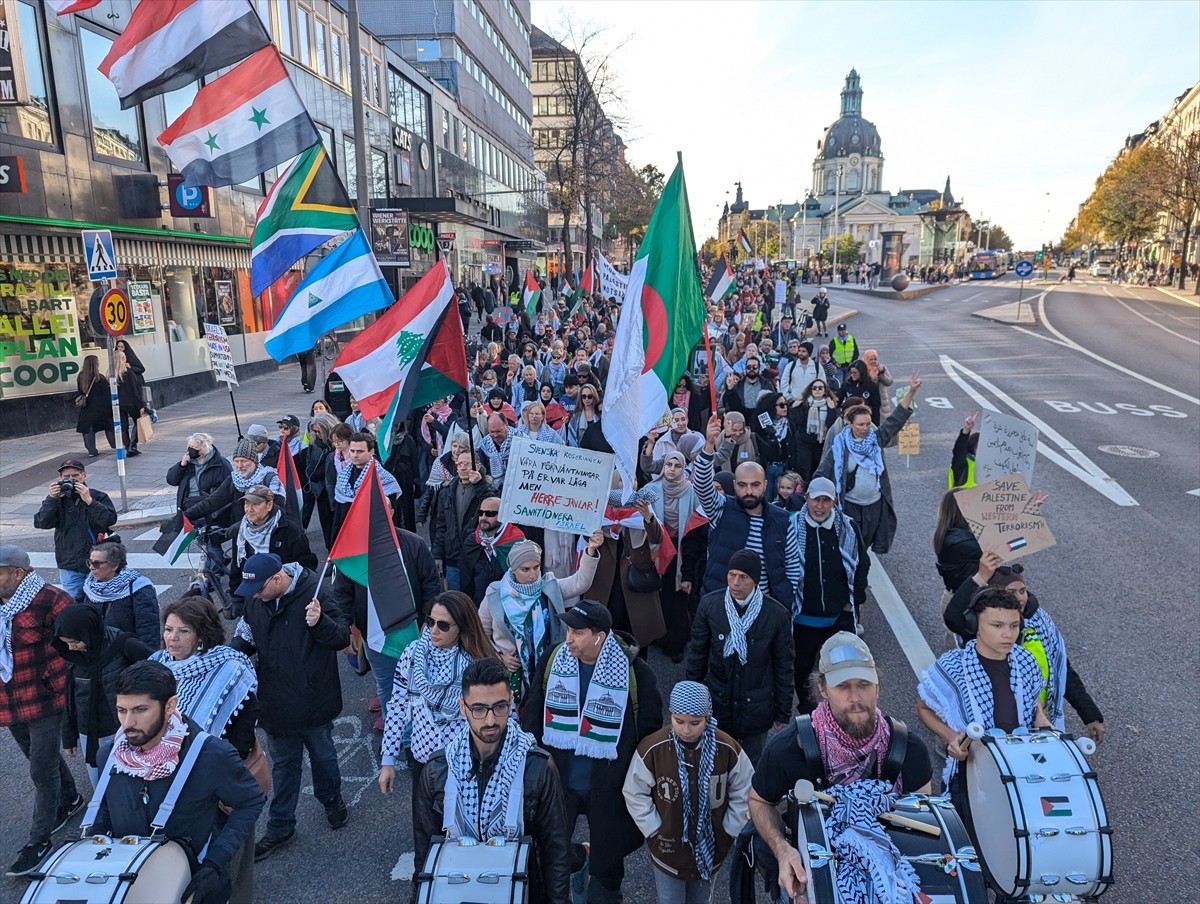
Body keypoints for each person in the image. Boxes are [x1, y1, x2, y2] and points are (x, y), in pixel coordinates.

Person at [746, 632, 933, 902]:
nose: (855, 697)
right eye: (843, 686)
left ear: (878, 687)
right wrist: (782, 849)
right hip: (810, 879)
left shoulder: (908, 750)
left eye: (864, 684)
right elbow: (759, 801)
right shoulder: (789, 748)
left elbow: (921, 815)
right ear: (822, 688)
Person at [87, 661, 265, 904]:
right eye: (121, 710)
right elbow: (106, 807)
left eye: (140, 710)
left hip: (192, 886)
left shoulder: (212, 755)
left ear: (170, 705)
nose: (127, 723)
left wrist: (216, 862)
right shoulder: (109, 756)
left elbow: (250, 801)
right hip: (130, 885)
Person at [522, 600, 663, 904]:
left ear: (600, 636)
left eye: (578, 632)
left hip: (610, 788)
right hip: (560, 783)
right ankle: (576, 863)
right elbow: (534, 717)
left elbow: (649, 735)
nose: (568, 637)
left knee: (607, 874)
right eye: (568, 629)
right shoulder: (553, 660)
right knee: (551, 854)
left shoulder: (636, 673)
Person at [415, 657, 571, 903]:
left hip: (523, 891)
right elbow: (424, 852)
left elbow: (556, 851)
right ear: (462, 707)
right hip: (457, 890)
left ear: (511, 703)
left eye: (499, 707)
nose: (490, 720)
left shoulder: (538, 767)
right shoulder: (437, 770)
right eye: (478, 709)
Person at [230, 553, 352, 860]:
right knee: (284, 767)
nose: (254, 596)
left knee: (323, 756)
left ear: (276, 579)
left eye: (259, 589)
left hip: (313, 700)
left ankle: (331, 799)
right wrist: (230, 658)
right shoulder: (255, 600)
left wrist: (319, 622)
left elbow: (341, 637)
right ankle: (280, 826)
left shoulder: (315, 592)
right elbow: (246, 636)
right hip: (275, 704)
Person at [151, 595, 264, 904]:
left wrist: (212, 772)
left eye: (183, 631)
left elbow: (242, 732)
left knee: (227, 856)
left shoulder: (230, 667)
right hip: (166, 781)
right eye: (169, 629)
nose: (172, 638)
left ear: (202, 634)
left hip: (217, 777)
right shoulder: (157, 665)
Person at [917, 587, 1053, 838]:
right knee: (971, 843)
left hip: (1020, 767)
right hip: (972, 773)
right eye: (997, 625)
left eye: (1014, 626)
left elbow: (1032, 699)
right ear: (974, 624)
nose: (1008, 634)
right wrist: (950, 737)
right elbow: (923, 707)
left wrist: (1040, 717)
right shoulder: (952, 666)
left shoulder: (1026, 660)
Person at [378, 593, 498, 854]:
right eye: (430, 621)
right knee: (426, 837)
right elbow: (397, 707)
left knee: (467, 837)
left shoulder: (478, 664)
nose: (433, 630)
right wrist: (388, 760)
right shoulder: (412, 655)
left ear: (462, 627)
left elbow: (501, 716)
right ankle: (424, 888)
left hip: (468, 766)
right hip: (425, 764)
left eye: (443, 625)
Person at [944, 554, 1104, 745]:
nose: (1019, 598)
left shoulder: (1040, 621)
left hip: (1038, 719)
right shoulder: (984, 626)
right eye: (1011, 592)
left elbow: (1062, 670)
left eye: (1022, 590)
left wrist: (1091, 715)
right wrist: (980, 576)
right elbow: (953, 618)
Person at [623, 681, 753, 904]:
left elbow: (745, 788)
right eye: (679, 721)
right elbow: (634, 791)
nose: (686, 729)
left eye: (695, 723)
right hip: (667, 850)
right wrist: (653, 828)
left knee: (702, 900)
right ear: (670, 715)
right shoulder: (653, 748)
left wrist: (730, 828)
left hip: (711, 850)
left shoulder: (727, 748)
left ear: (708, 717)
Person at [0, 546, 84, 877]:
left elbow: (77, 644)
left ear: (18, 574)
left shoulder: (52, 600)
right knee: (39, 757)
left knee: (40, 769)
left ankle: (39, 841)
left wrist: (57, 679)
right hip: (9, 700)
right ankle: (71, 798)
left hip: (45, 698)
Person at [685, 550, 793, 764]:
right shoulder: (709, 605)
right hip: (718, 702)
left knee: (751, 766)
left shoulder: (776, 615)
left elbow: (784, 666)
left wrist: (783, 711)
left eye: (743, 577)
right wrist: (690, 701)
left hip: (756, 707)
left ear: (755, 580)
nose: (735, 582)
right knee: (715, 764)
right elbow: (697, 655)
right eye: (731, 575)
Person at [693, 416, 801, 614]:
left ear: (765, 485)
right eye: (742, 485)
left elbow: (793, 565)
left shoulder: (782, 520)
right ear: (734, 486)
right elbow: (701, 485)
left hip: (764, 610)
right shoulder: (721, 509)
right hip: (722, 608)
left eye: (755, 485)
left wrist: (783, 599)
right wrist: (709, 446)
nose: (749, 491)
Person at [479, 536, 602, 701]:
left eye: (536, 567)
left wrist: (590, 551)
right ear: (513, 569)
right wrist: (499, 657)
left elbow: (581, 583)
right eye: (525, 569)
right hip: (510, 675)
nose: (533, 575)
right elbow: (480, 634)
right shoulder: (494, 594)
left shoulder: (549, 586)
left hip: (549, 669)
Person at [814, 374, 921, 555]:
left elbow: (895, 420)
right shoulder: (839, 446)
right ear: (849, 424)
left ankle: (861, 578)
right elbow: (821, 474)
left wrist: (911, 391)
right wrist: (815, 500)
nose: (866, 428)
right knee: (849, 546)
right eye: (861, 424)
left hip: (874, 507)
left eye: (868, 424)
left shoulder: (875, 439)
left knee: (865, 549)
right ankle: (852, 580)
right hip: (849, 506)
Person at [789, 477, 869, 713]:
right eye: (816, 500)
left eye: (826, 500)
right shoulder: (792, 527)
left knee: (840, 667)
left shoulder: (848, 527)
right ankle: (807, 709)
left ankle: (836, 709)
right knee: (802, 668)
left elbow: (862, 564)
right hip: (803, 618)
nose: (820, 506)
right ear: (807, 499)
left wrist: (852, 601)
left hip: (838, 617)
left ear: (834, 501)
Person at [52, 604, 153, 788]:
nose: (71, 648)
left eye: (75, 642)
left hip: (122, 728)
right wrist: (68, 736)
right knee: (100, 785)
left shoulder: (121, 644)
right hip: (89, 733)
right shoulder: (73, 656)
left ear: (88, 633)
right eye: (66, 643)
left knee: (132, 783)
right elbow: (70, 697)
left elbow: (155, 668)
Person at [647, 452, 706, 661]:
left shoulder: (691, 493)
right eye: (669, 465)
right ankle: (658, 636)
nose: (672, 469)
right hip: (657, 552)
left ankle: (676, 643)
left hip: (681, 553)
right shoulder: (651, 490)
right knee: (658, 596)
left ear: (684, 470)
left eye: (677, 466)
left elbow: (697, 529)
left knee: (679, 597)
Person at [33, 457, 117, 598]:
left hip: (98, 561)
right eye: (66, 477)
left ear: (84, 475)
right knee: (74, 606)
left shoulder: (97, 496)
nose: (71, 479)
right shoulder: (57, 499)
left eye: (75, 475)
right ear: (60, 478)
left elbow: (109, 520)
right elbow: (41, 522)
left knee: (101, 601)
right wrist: (51, 499)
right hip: (69, 564)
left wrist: (90, 501)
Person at [228, 485, 317, 597]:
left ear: (269, 505)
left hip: (285, 594)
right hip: (253, 594)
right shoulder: (241, 531)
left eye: (255, 504)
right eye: (246, 504)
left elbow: (307, 567)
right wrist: (236, 597)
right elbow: (236, 566)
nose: (249, 509)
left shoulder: (291, 531)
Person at [76, 538, 161, 648]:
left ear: (114, 565)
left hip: (127, 652)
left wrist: (147, 659)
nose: (92, 567)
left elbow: (148, 629)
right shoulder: (88, 586)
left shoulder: (138, 588)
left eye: (97, 563)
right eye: (90, 562)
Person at [186, 438, 286, 531]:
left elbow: (278, 510)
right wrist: (184, 516)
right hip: (240, 538)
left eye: (243, 461)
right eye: (236, 461)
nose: (239, 466)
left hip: (267, 536)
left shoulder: (270, 479)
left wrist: (244, 524)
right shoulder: (234, 480)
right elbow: (212, 502)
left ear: (254, 461)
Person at [432, 452, 493, 593]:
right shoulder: (446, 492)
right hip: (453, 557)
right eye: (460, 464)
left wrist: (480, 485)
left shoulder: (486, 488)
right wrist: (437, 555)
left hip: (478, 557)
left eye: (467, 464)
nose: (463, 467)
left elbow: (493, 509)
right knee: (457, 602)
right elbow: (441, 526)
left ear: (477, 466)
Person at [460, 495, 525, 601]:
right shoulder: (472, 541)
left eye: (490, 514)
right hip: (479, 605)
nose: (483, 518)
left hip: (509, 603)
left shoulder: (517, 542)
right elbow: (466, 579)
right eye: (480, 513)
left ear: (502, 515)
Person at [167, 433, 233, 527]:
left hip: (208, 512)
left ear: (204, 449)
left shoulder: (221, 464)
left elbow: (228, 489)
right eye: (189, 446)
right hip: (188, 508)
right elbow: (171, 480)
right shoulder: (188, 463)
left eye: (194, 448)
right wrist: (181, 466)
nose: (190, 450)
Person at [789, 378, 840, 484]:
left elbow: (832, 425)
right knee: (805, 469)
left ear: (825, 391)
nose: (817, 390)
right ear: (810, 390)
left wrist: (832, 410)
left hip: (821, 443)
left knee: (818, 469)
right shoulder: (805, 404)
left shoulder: (829, 404)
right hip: (805, 442)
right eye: (814, 388)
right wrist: (794, 407)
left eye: (820, 388)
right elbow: (796, 422)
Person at [74, 353, 114, 457]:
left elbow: (80, 391)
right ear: (95, 364)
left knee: (88, 429)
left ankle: (91, 451)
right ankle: (114, 444)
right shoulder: (99, 378)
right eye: (97, 362)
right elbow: (106, 394)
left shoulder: (81, 376)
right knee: (108, 426)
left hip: (87, 408)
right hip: (101, 408)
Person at [113, 339, 148, 456]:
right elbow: (134, 391)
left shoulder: (111, 373)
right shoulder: (128, 373)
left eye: (122, 347)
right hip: (130, 402)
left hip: (119, 403)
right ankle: (132, 446)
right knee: (138, 421)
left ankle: (128, 446)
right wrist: (141, 405)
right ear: (122, 359)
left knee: (123, 425)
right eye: (118, 347)